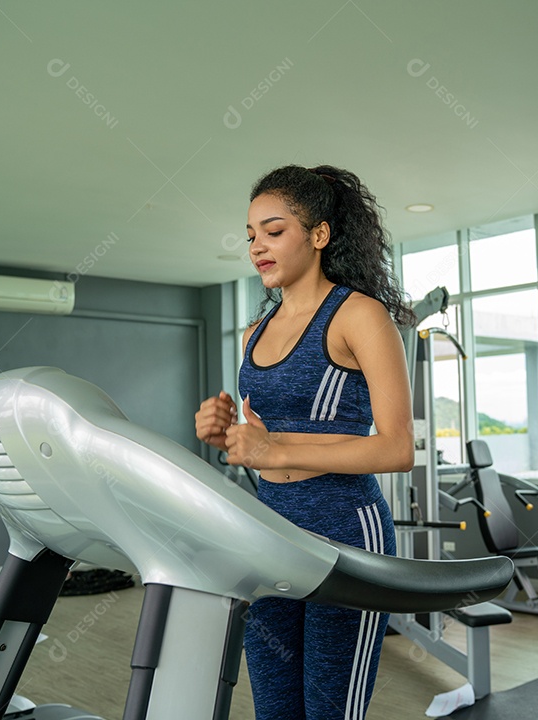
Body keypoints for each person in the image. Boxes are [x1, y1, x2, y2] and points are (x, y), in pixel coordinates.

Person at [195, 164, 415, 720]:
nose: (257, 247)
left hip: (345, 530)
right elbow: (262, 441)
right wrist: (224, 432)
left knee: (329, 711)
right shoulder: (254, 332)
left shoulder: (358, 315)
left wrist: (275, 450)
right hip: (270, 529)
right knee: (274, 707)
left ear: (318, 235)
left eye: (273, 231)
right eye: (250, 235)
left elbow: (396, 448)